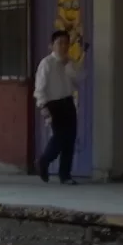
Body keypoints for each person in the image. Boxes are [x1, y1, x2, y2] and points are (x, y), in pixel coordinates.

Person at [34, 30, 83, 185]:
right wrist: (43, 106)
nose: (63, 46)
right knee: (60, 137)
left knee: (70, 139)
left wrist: (69, 66)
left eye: (66, 43)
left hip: (68, 102)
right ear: (51, 46)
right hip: (53, 104)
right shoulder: (46, 63)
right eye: (59, 43)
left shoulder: (69, 62)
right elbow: (40, 87)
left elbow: (77, 82)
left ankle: (65, 174)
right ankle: (44, 160)